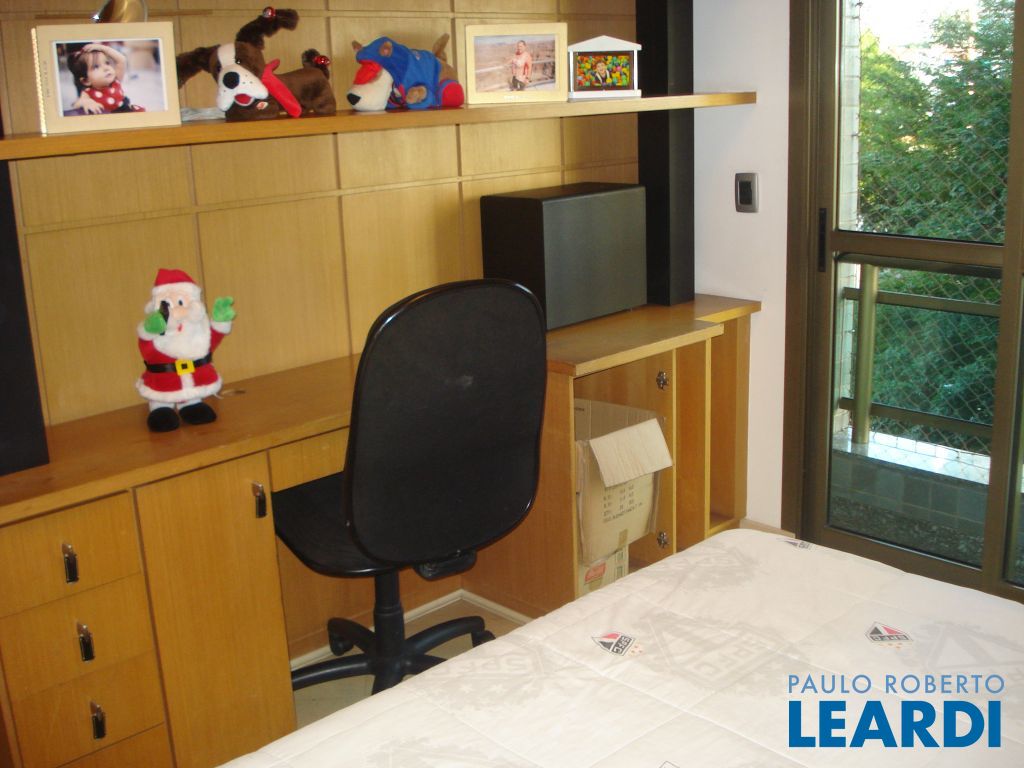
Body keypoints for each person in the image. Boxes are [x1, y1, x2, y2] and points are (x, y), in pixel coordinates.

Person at [136, 269, 235, 432]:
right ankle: (160, 408)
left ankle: (190, 405)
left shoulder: (198, 329)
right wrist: (150, 331)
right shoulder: (158, 332)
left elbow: (210, 342)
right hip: (163, 384)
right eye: (168, 304)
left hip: (194, 384)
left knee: (196, 408)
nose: (176, 310)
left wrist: (220, 321)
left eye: (181, 302)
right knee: (162, 411)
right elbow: (147, 352)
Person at [67, 42, 145, 114]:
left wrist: (103, 48)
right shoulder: (88, 92)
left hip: (126, 111)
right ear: (86, 80)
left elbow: (122, 60)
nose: (106, 68)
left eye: (107, 63)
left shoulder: (116, 80)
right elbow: (77, 104)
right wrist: (87, 102)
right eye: (96, 67)